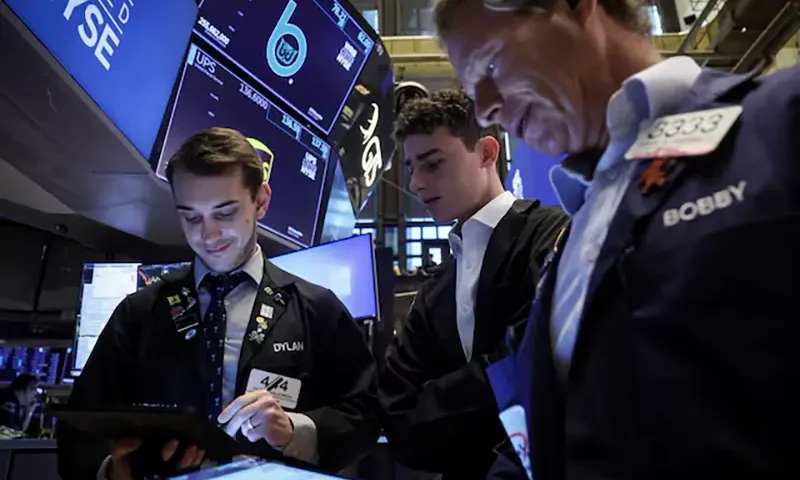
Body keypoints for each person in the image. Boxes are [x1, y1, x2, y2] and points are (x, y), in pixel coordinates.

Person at [433, 0, 800, 479]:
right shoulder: (574, 237)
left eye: (491, 64)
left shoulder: (778, 121)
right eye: (469, 88)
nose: (483, 109)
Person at [57, 127, 380, 480]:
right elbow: (80, 429)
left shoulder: (317, 308)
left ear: (261, 201)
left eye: (224, 213)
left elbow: (365, 414)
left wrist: (292, 429)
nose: (208, 235)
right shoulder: (140, 313)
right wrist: (113, 472)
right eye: (191, 217)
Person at [379, 89, 568, 479]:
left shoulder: (551, 234)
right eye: (411, 168)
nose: (415, 183)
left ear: (486, 152)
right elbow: (396, 412)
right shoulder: (437, 285)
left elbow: (536, 361)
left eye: (432, 164)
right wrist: (488, 390)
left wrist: (438, 401)